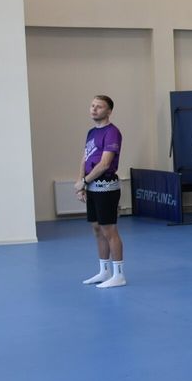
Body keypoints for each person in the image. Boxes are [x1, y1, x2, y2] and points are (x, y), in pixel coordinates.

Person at [76, 95, 126, 288]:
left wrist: (84, 181)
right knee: (97, 228)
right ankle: (104, 271)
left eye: (99, 106)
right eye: (92, 105)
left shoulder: (112, 132)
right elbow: (85, 158)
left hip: (106, 187)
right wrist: (81, 182)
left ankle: (119, 274)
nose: (94, 109)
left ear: (109, 111)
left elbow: (105, 163)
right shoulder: (91, 132)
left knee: (109, 229)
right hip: (92, 186)